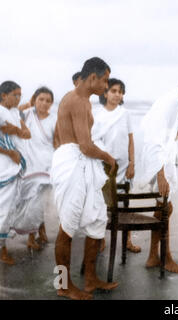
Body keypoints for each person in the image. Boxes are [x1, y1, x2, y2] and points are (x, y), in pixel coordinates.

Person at [50, 57, 118, 300]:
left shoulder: (85, 102)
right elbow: (86, 146)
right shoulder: (77, 101)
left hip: (81, 163)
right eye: (105, 80)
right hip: (72, 163)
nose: (106, 85)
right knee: (67, 226)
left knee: (97, 218)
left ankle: (90, 279)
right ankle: (63, 285)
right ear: (92, 78)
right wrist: (108, 157)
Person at [134, 75, 178, 273]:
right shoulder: (170, 103)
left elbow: (172, 138)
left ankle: (153, 257)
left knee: (163, 207)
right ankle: (165, 258)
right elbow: (154, 138)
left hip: (166, 156)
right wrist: (160, 175)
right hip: (155, 157)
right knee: (166, 208)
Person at [92, 78, 140, 253]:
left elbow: (130, 139)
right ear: (105, 93)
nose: (117, 94)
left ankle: (127, 240)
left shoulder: (125, 113)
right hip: (103, 165)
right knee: (102, 203)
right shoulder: (97, 114)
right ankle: (100, 238)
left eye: (120, 91)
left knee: (124, 202)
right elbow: (94, 141)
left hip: (123, 165)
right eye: (113, 91)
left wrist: (132, 163)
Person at [12, 87, 56, 250]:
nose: (44, 103)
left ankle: (32, 237)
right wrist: (28, 104)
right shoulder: (27, 114)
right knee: (27, 200)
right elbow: (9, 112)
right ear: (34, 100)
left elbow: (57, 143)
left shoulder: (54, 119)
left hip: (46, 165)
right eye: (41, 99)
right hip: (27, 164)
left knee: (37, 201)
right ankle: (40, 229)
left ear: (51, 103)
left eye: (48, 100)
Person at [0, 81, 30, 265]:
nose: (18, 98)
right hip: (4, 164)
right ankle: (2, 250)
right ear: (3, 95)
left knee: (10, 207)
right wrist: (10, 152)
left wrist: (17, 129)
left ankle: (3, 246)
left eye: (20, 95)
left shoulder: (14, 112)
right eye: (15, 95)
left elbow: (26, 134)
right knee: (3, 208)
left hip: (16, 164)